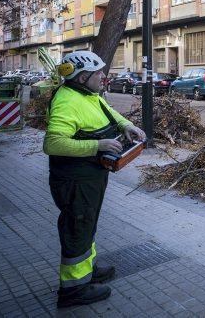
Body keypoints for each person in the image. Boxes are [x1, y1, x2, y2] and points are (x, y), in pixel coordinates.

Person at [44, 51, 146, 308]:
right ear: (82, 77)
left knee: (87, 223)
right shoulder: (67, 101)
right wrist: (97, 145)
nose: (104, 75)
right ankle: (73, 290)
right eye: (99, 72)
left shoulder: (87, 95)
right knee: (78, 228)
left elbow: (109, 111)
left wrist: (125, 126)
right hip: (75, 180)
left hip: (89, 178)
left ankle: (86, 270)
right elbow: (52, 143)